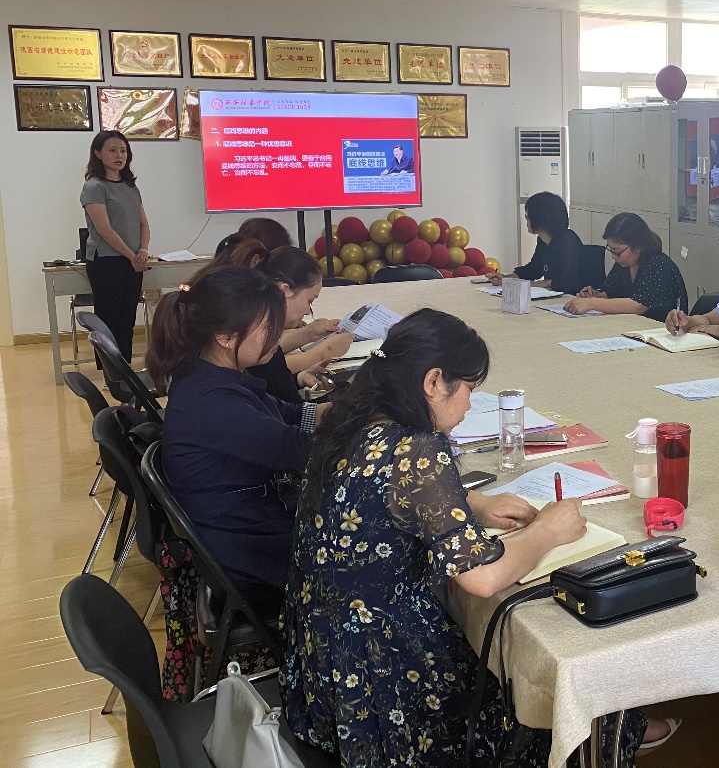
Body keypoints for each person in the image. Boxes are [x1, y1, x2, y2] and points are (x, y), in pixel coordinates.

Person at [281, 308, 675, 766]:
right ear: (434, 381)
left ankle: (620, 724)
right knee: (544, 693)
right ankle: (612, 730)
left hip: (324, 667)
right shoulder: (418, 449)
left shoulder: (353, 416)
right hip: (387, 682)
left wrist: (471, 502)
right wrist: (547, 531)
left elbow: (374, 491)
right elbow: (483, 578)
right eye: (468, 387)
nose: (469, 405)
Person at [149, 268, 325, 605]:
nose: (278, 336)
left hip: (249, 522)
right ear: (225, 336)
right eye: (269, 328)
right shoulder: (212, 401)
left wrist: (352, 408)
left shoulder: (215, 374)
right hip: (245, 547)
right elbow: (300, 451)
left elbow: (291, 415)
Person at [241, 244, 354, 403]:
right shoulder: (260, 345)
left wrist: (296, 379)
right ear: (284, 290)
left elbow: (272, 390)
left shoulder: (254, 327)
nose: (307, 311)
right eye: (309, 301)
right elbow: (296, 414)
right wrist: (352, 388)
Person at [80, 130, 149, 363]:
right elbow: (104, 229)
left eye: (123, 150)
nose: (119, 155)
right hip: (106, 262)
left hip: (133, 261)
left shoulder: (130, 186)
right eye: (112, 150)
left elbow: (143, 223)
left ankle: (125, 370)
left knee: (127, 320)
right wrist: (132, 256)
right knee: (108, 321)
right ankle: (111, 375)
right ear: (98, 153)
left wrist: (143, 251)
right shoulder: (94, 186)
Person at [566, 213, 686, 321]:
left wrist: (592, 303)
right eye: (611, 250)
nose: (613, 256)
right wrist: (595, 295)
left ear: (638, 246)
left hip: (659, 330)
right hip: (631, 325)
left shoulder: (658, 265)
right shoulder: (624, 263)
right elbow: (610, 292)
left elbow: (638, 306)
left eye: (617, 251)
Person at [488, 191, 588, 294]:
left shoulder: (568, 241)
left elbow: (567, 282)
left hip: (574, 297)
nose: (526, 220)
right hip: (555, 296)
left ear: (540, 218)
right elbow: (533, 269)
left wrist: (534, 284)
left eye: (528, 216)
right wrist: (506, 278)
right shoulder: (543, 240)